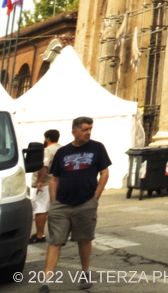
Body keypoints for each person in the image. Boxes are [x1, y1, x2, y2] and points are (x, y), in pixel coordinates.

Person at [38, 116, 111, 293]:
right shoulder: (63, 152)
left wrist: (95, 198)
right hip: (61, 205)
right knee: (55, 241)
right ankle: (46, 282)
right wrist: (54, 201)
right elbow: (54, 178)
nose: (88, 132)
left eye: (90, 129)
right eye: (85, 129)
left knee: (84, 239)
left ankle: (85, 272)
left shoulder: (97, 147)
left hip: (86, 203)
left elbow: (105, 173)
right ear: (74, 131)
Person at [29, 129, 60, 244]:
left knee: (40, 209)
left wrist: (39, 181)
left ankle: (39, 235)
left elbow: (44, 166)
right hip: (57, 183)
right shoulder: (61, 149)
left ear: (47, 138)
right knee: (56, 209)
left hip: (46, 184)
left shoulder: (47, 150)